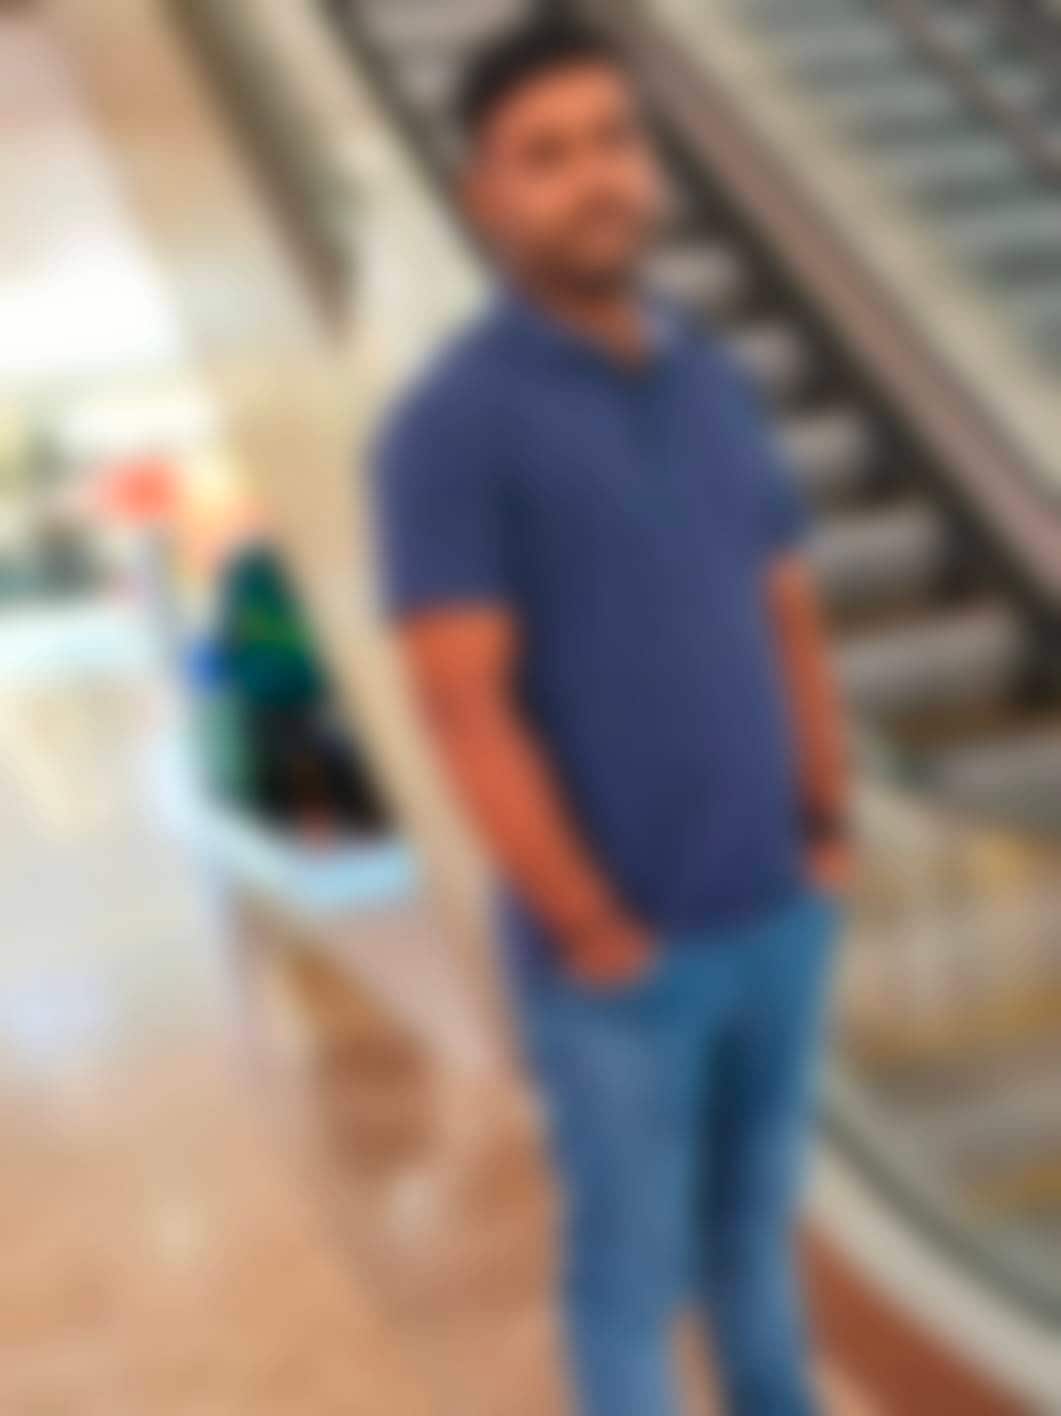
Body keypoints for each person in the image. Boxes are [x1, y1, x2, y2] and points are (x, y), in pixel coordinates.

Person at [374, 20, 851, 1416]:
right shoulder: (449, 425)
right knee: (629, 1288)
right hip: (624, 966)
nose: (596, 177)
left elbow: (784, 609)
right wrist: (588, 925)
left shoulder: (709, 375)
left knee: (754, 1242)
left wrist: (825, 824)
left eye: (614, 140)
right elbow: (459, 704)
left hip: (776, 912)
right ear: (484, 196)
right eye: (546, 155)